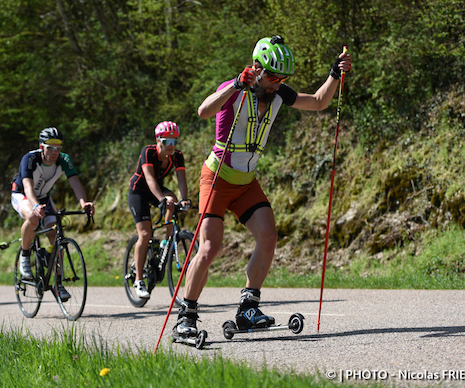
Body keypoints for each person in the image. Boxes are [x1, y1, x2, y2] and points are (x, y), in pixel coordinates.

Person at [173, 36, 352, 339]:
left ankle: (247, 309)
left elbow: (320, 102)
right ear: (256, 68)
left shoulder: (278, 93)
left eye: (281, 78)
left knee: (268, 236)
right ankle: (186, 316)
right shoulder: (234, 89)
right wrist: (236, 86)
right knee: (209, 248)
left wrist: (334, 74)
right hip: (217, 178)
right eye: (272, 76)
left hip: (246, 183)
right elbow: (203, 111)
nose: (276, 84)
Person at [11, 127, 95, 299]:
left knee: (55, 234)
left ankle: (57, 283)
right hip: (22, 194)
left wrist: (83, 202)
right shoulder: (29, 159)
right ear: (41, 147)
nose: (55, 151)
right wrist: (35, 206)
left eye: (58, 147)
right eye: (51, 147)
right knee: (33, 218)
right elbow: (27, 186)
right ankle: (25, 256)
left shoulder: (64, 160)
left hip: (44, 198)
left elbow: (75, 183)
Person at [128, 121, 190, 299]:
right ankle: (139, 281)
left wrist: (184, 199)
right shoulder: (148, 151)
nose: (171, 146)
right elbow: (148, 178)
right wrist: (162, 199)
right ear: (158, 140)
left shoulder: (177, 156)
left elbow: (181, 179)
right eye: (167, 141)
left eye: (174, 141)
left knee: (174, 200)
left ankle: (167, 242)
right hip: (139, 192)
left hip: (157, 190)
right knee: (145, 233)